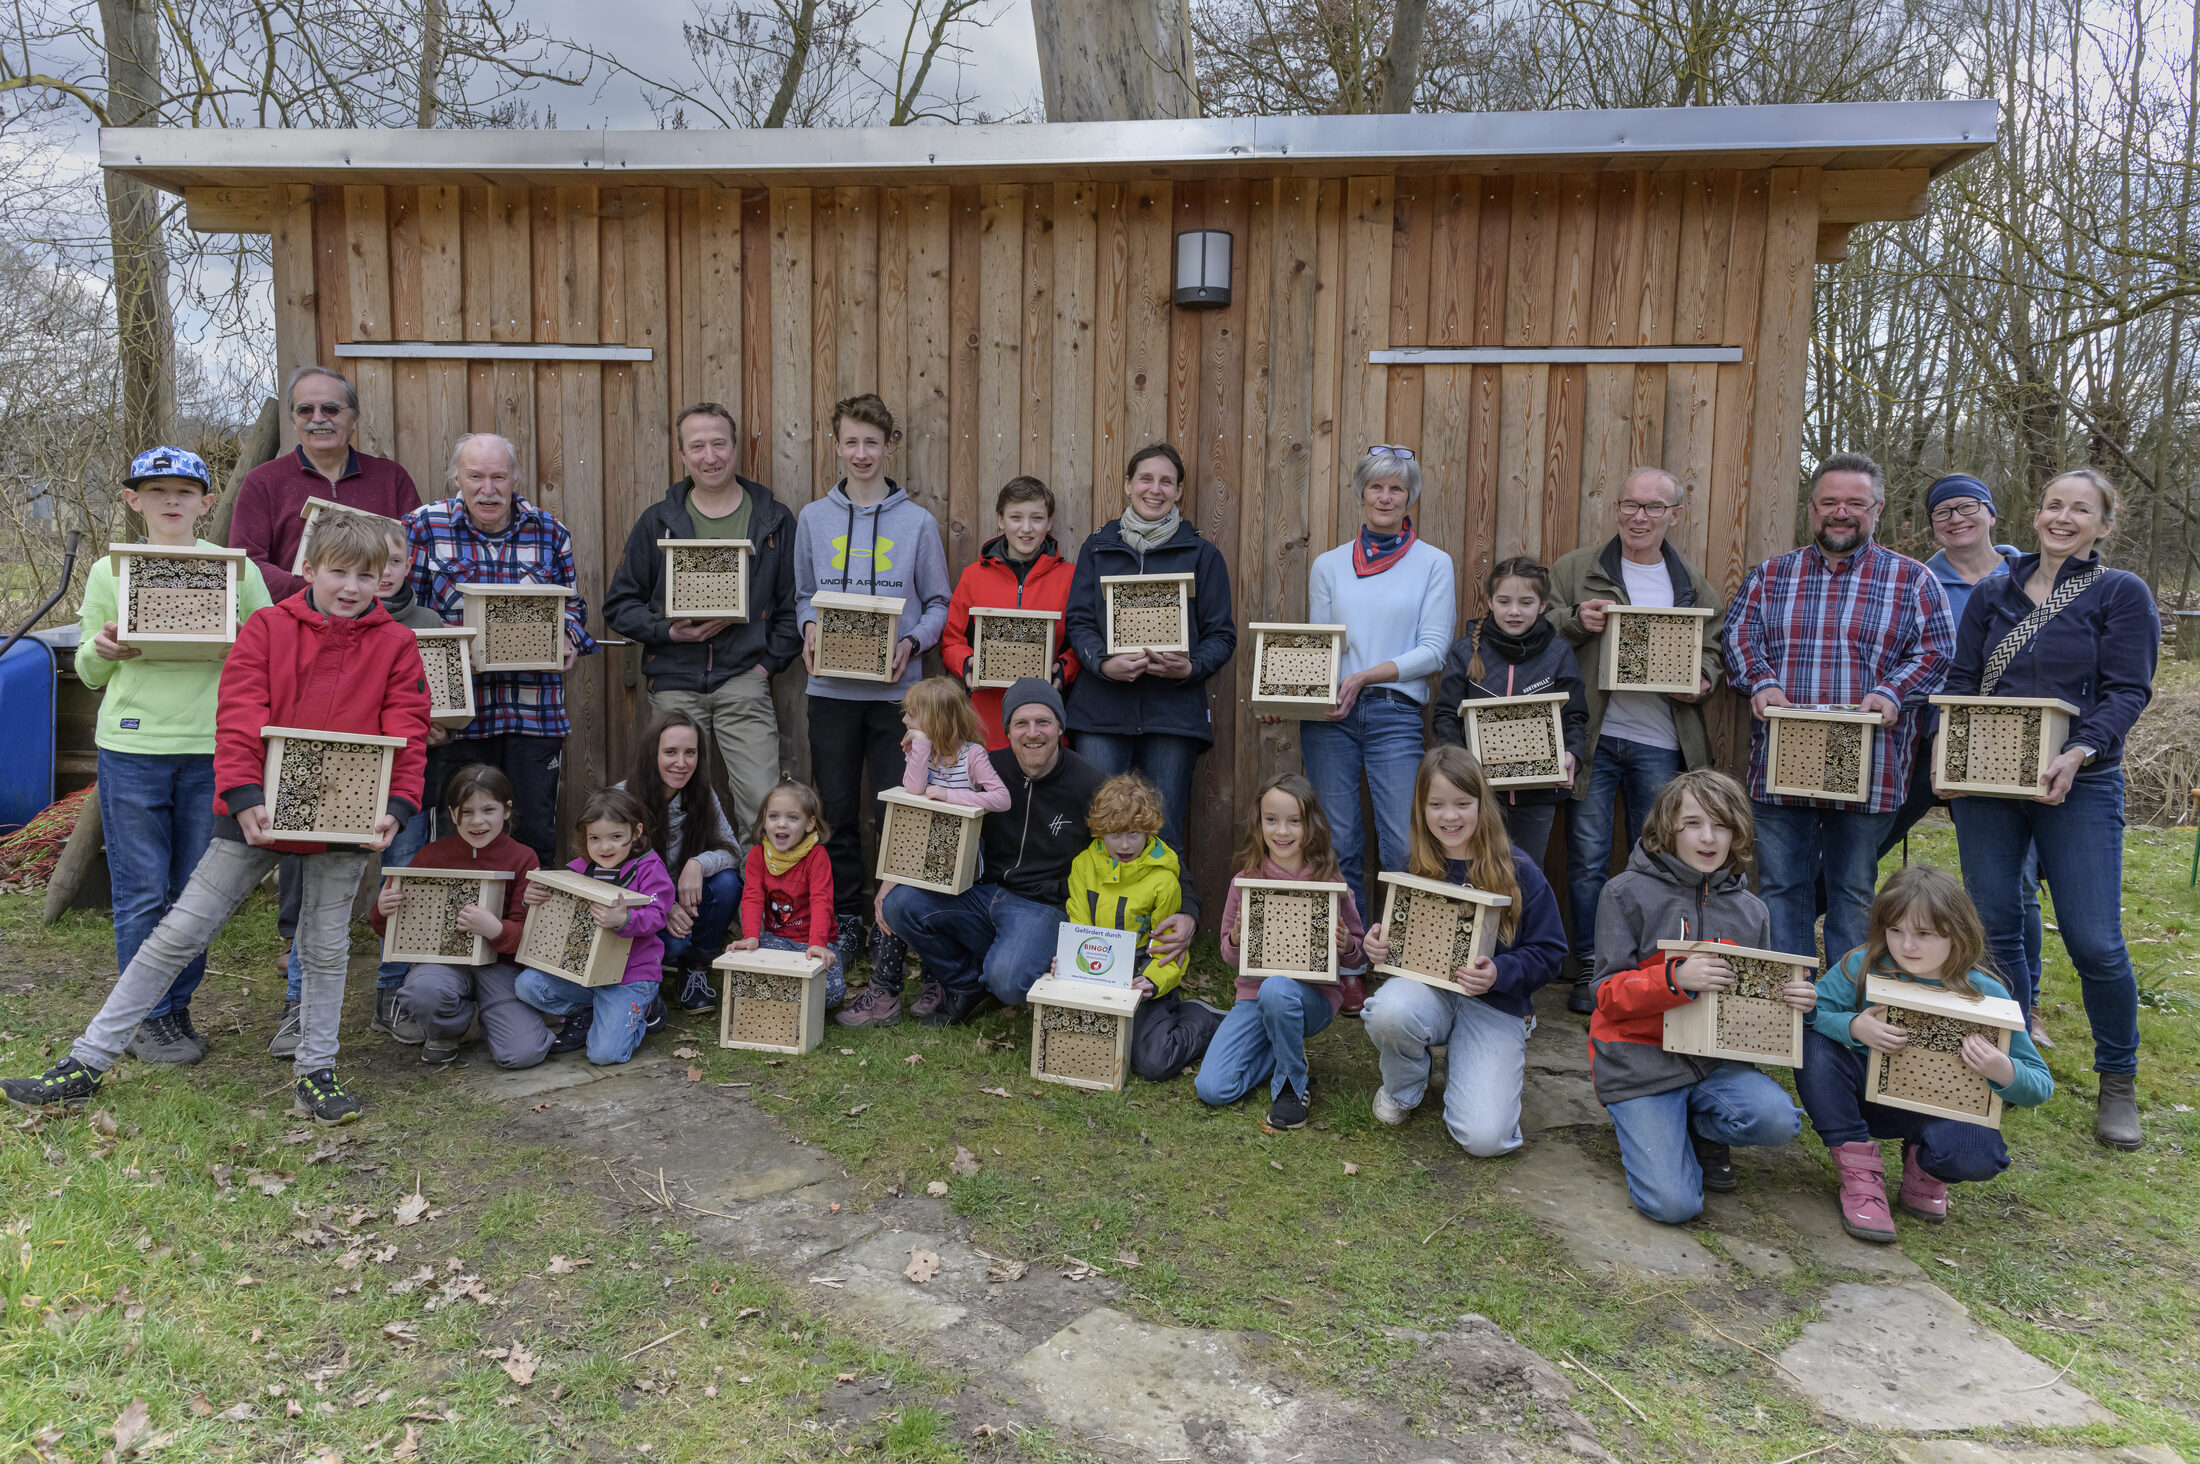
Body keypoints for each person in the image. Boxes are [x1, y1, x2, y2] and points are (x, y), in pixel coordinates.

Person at [4, 512, 429, 1123]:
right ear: (309, 569)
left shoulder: (396, 643)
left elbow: (407, 729)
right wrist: (244, 795)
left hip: (345, 813)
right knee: (179, 931)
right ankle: (88, 1060)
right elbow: (237, 713)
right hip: (256, 807)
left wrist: (396, 806)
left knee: (327, 945)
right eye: (339, 571)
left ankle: (318, 1070)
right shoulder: (267, 627)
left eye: (367, 575)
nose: (353, 587)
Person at [1941, 467, 2158, 1151]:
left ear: (2103, 523)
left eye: (2080, 509)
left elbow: (2128, 691)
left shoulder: (2122, 594)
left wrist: (2080, 753)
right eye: (2053, 506)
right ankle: (2013, 1056)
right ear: (2035, 515)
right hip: (1988, 782)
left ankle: (2116, 1078)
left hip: (2081, 780)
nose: (2063, 518)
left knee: (2094, 939)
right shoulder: (1992, 593)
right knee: (1996, 924)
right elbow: (1959, 682)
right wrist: (1946, 759)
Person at [71, 446, 273, 1065]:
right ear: (134, 500)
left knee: (194, 889)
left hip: (214, 748)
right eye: (156, 492)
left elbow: (269, 650)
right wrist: (105, 647)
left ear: (206, 503)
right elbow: (85, 671)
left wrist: (236, 645)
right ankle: (148, 1017)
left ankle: (175, 1006)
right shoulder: (111, 571)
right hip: (132, 747)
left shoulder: (234, 570)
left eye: (184, 492)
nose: (171, 502)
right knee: (139, 890)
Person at [1722, 452, 1952, 964]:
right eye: (1829, 502)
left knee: (1853, 893)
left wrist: (1892, 692)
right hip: (1783, 763)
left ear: (1878, 509)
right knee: (1782, 887)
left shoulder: (1912, 580)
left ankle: (1844, 1010)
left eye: (1854, 503)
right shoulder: (1770, 576)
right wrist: (1760, 682)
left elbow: (1938, 654)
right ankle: (1792, 1003)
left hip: (1871, 766)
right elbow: (1738, 635)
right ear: (1813, 510)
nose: (1840, 512)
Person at [1587, 770, 1812, 1224]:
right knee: (1674, 1206)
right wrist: (1676, 979)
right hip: (1640, 1065)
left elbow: (1752, 1002)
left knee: (1777, 1120)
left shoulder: (1753, 910)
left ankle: (1700, 1127)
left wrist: (1787, 1000)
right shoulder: (1625, 893)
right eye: (1692, 823)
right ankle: (1649, 1126)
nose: (1708, 837)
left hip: (1716, 1064)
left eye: (1721, 824)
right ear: (1667, 828)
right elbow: (1606, 994)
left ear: (1737, 833)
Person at [792, 393, 952, 1000]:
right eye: (850, 441)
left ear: (890, 446)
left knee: (898, 812)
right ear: (835, 445)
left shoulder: (918, 524)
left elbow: (938, 602)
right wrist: (809, 626)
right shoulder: (814, 518)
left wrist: (912, 642)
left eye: (872, 442)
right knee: (833, 811)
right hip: (829, 690)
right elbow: (804, 593)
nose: (861, 453)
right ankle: (846, 926)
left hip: (897, 698)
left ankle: (895, 927)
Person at [1876, 472, 2045, 1045]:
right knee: (1865, 845)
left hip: (2014, 748)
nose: (1955, 519)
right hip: (1933, 743)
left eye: (1967, 507)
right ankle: (1870, 969)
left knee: (2014, 885)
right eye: (1942, 512)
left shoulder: (2035, 575)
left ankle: (2023, 1005)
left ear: (1991, 513)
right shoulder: (1921, 580)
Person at [1550, 466, 1725, 1015]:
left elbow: (1714, 652)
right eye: (1630, 504)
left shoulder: (1694, 586)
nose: (1639, 516)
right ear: (1618, 508)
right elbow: (1537, 625)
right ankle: (1590, 968)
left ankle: (1650, 969)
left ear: (1675, 515)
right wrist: (1575, 619)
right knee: (1586, 859)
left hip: (1660, 741)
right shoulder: (1577, 569)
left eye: (1653, 507)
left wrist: (1703, 680)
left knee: (1660, 858)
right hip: (1595, 739)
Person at [1801, 867, 2051, 1241]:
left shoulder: (1986, 994)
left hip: (1942, 1110)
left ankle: (1925, 1169)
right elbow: (1812, 1012)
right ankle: (1859, 1176)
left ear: (1957, 932)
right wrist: (1853, 1027)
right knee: (1813, 1047)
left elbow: (2041, 1084)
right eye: (1896, 930)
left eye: (1923, 934)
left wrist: (2003, 1070)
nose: (1907, 946)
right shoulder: (1862, 966)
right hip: (1866, 1101)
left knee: (1978, 1155)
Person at [604, 401, 800, 840]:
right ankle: (666, 904)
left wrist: (766, 666)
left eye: (719, 444)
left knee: (766, 806)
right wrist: (668, 630)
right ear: (682, 454)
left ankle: (762, 906)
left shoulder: (773, 520)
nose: (709, 457)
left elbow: (792, 606)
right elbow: (619, 605)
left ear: (735, 448)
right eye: (697, 446)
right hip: (674, 681)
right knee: (665, 809)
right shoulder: (659, 521)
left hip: (744, 679)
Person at [881, 679, 1124, 1029]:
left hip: (1043, 908)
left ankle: (1000, 969)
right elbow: (925, 816)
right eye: (1021, 723)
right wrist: (892, 878)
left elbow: (1144, 847)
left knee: (1008, 981)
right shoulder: (984, 766)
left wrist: (1187, 911)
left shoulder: (1091, 784)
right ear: (1007, 729)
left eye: (1043, 722)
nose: (1033, 733)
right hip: (979, 894)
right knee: (900, 903)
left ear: (1060, 727)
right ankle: (966, 983)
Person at [1361, 746, 1568, 1156]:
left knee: (1484, 1139)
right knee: (1387, 1011)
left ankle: (1475, 1054)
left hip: (1495, 1003)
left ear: (1482, 805)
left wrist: (1500, 972)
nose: (1449, 816)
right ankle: (1406, 1087)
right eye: (1436, 804)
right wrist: (1377, 944)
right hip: (1429, 993)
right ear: (1421, 808)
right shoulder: (1415, 865)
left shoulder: (1519, 869)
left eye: (1462, 803)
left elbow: (1550, 952)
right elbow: (1394, 939)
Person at [407, 433, 598, 868]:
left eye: (498, 476)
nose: (487, 489)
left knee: (531, 834)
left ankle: (526, 934)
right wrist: (423, 709)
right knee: (455, 839)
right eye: (476, 476)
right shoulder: (421, 527)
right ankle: (459, 932)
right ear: (456, 477)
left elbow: (571, 606)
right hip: (457, 718)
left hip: (531, 713)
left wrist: (568, 635)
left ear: (515, 478)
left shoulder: (550, 532)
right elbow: (403, 617)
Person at [1300, 446, 1455, 981]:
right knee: (1338, 839)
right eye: (1376, 487)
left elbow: (1435, 650)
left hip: (1394, 711)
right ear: (1361, 494)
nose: (1386, 497)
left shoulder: (1433, 563)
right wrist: (1289, 693)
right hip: (1331, 718)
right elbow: (1319, 649)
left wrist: (1366, 674)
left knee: (1402, 840)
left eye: (1396, 488)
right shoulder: (1328, 564)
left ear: (1410, 496)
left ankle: (1404, 962)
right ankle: (1349, 962)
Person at [1062, 443, 1236, 901]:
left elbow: (1222, 636)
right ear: (1127, 484)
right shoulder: (1097, 548)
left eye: (1165, 481)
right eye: (1145, 479)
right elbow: (1078, 621)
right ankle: (1097, 940)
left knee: (1163, 829)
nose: (1154, 489)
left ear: (1178, 490)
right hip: (1101, 712)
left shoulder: (1202, 555)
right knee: (1100, 827)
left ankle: (1165, 943)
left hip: (1172, 714)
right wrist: (1102, 662)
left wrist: (1189, 666)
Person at [1199, 774, 1367, 1128]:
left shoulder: (1329, 882)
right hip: (1253, 998)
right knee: (1212, 1088)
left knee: (1276, 987)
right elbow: (1231, 959)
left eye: (1294, 821)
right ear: (1259, 823)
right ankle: (1281, 1052)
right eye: (1271, 820)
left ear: (1311, 825)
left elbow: (1358, 955)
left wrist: (1347, 945)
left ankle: (1292, 1083)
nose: (1282, 831)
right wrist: (1235, 939)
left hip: (1311, 1001)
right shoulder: (1246, 881)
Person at [370, 764, 545, 1068]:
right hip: (443, 966)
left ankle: (499, 1016)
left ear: (506, 810)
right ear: (452, 814)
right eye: (466, 812)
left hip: (502, 970)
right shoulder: (431, 856)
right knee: (422, 990)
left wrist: (495, 929)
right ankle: (448, 1029)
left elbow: (529, 937)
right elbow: (392, 930)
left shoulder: (523, 857)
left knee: (522, 1053)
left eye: (488, 810)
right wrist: (383, 910)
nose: (477, 821)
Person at [1433, 556, 1588, 875]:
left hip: (1538, 797)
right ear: (1489, 601)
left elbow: (1575, 716)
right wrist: (1460, 770)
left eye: (1526, 602)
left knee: (1525, 875)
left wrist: (1573, 754)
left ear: (1543, 604)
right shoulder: (1466, 651)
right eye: (1504, 601)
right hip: (1478, 796)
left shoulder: (1559, 653)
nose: (1514, 611)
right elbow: (1446, 716)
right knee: (1473, 874)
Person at [1064, 774, 1222, 1082]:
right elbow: (1078, 925)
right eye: (1115, 833)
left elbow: (1170, 948)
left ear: (1148, 831)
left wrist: (1152, 981)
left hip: (1145, 975)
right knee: (1089, 1051)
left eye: (1134, 834)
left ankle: (1203, 1020)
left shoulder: (1164, 879)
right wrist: (1070, 963)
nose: (1124, 844)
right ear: (1100, 831)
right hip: (1098, 972)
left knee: (1153, 1063)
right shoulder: (1083, 866)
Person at [229, 364, 423, 602]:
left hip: (379, 622)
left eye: (330, 409)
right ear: (293, 420)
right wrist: (313, 592)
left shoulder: (391, 479)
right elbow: (247, 562)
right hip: (291, 622)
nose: (318, 418)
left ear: (355, 418)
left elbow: (414, 553)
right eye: (305, 410)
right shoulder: (263, 482)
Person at [514, 789, 677, 1067]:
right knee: (528, 985)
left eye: (616, 837)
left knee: (604, 1055)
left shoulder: (649, 868)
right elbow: (556, 912)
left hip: (630, 977)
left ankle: (645, 1009)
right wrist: (532, 901)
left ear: (636, 832)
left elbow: (657, 914)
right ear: (585, 837)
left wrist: (624, 921)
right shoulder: (578, 869)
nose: (605, 848)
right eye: (595, 839)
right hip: (585, 975)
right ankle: (588, 1012)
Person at [616, 712, 744, 1016]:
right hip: (641, 911)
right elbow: (611, 877)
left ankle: (695, 968)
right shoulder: (622, 798)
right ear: (652, 753)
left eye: (691, 752)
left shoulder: (701, 794)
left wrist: (697, 864)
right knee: (673, 945)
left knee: (726, 882)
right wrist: (663, 902)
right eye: (670, 752)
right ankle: (644, 978)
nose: (681, 763)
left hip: (684, 906)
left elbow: (733, 852)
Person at [940, 476, 1081, 751]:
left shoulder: (1070, 578)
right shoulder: (972, 577)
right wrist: (968, 664)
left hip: (1044, 719)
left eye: (1037, 518)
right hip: (985, 720)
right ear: (1001, 520)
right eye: (1016, 517)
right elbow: (950, 641)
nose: (1026, 528)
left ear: (1049, 522)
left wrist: (1063, 670)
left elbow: (1081, 643)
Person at [728, 779, 844, 1010]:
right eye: (774, 816)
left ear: (809, 824)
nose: (782, 824)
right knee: (749, 982)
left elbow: (822, 901)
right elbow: (752, 898)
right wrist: (751, 936)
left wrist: (818, 944)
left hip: (814, 942)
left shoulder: (816, 855)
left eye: (792, 818)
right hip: (776, 940)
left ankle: (788, 999)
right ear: (764, 821)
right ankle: (790, 999)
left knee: (831, 994)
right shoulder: (758, 856)